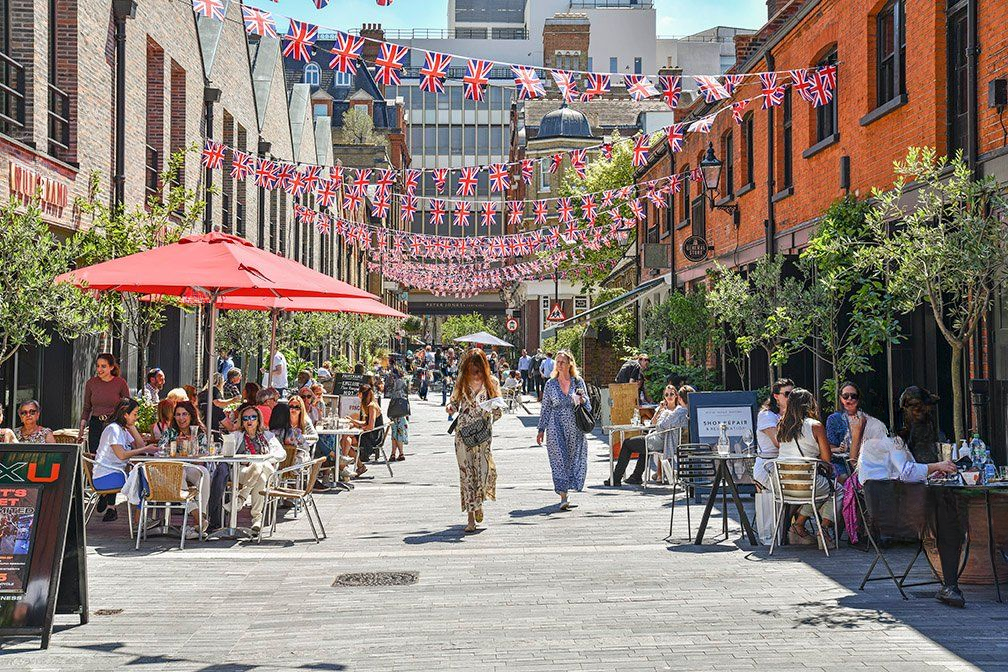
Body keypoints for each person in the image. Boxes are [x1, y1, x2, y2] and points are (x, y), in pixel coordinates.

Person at [858, 385, 963, 607]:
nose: (923, 415)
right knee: (947, 514)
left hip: (893, 505)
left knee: (946, 508)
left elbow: (903, 472)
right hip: (893, 516)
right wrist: (937, 466)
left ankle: (951, 584)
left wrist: (933, 471)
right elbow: (906, 472)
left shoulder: (892, 439)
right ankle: (951, 585)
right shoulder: (891, 439)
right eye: (917, 409)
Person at [447, 348, 503, 532]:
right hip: (463, 433)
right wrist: (450, 407)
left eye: (477, 370)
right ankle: (470, 517)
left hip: (483, 434)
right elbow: (454, 402)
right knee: (467, 473)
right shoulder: (461, 381)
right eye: (471, 369)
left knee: (484, 471)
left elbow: (499, 411)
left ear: (483, 368)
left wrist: (494, 408)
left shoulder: (492, 383)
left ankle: (479, 503)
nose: (474, 374)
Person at [775, 388, 837, 547]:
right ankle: (823, 529)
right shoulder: (815, 426)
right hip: (807, 484)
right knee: (837, 491)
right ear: (809, 405)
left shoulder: (781, 425)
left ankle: (799, 525)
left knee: (818, 491)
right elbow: (827, 459)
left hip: (783, 486)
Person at [605, 384, 691, 487]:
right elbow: (654, 423)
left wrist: (663, 416)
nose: (669, 396)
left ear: (678, 397)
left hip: (663, 441)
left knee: (627, 443)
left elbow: (660, 426)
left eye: (672, 394)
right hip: (667, 440)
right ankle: (636, 476)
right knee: (642, 444)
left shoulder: (679, 411)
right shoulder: (689, 411)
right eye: (666, 394)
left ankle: (616, 478)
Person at [536, 350, 591, 511]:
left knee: (574, 457)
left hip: (575, 425)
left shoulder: (578, 381)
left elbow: (588, 404)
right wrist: (541, 429)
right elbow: (546, 407)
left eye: (562, 362)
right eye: (557, 362)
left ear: (569, 364)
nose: (559, 365)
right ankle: (563, 496)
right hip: (555, 425)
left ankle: (569, 487)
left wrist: (581, 399)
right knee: (559, 458)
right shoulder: (550, 384)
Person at [92, 398, 158, 522]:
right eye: (135, 414)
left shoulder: (122, 429)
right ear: (125, 414)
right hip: (104, 476)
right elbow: (122, 455)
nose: (137, 417)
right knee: (143, 479)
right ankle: (139, 519)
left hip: (114, 474)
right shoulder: (114, 429)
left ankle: (139, 518)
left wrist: (132, 427)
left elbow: (140, 446)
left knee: (144, 476)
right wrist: (146, 448)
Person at [226, 403, 285, 536]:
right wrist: (242, 459)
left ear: (258, 420)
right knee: (260, 476)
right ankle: (257, 518)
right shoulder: (236, 436)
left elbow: (282, 454)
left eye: (253, 417)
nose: (250, 421)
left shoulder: (267, 435)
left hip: (266, 469)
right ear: (242, 421)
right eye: (246, 418)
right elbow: (227, 456)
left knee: (260, 467)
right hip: (243, 470)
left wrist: (264, 458)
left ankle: (241, 498)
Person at [156, 400, 211, 537]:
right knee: (178, 471)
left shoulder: (200, 434)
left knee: (204, 472)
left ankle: (201, 517)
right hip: (172, 469)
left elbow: (204, 455)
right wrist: (175, 444)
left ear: (191, 415)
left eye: (184, 414)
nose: (181, 418)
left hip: (192, 466)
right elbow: (160, 450)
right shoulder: (170, 432)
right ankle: (198, 517)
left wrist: (193, 444)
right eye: (178, 414)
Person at [79, 353, 131, 451]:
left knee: (113, 454)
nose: (99, 369)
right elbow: (87, 408)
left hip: (113, 424)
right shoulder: (91, 383)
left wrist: (127, 426)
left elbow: (127, 406)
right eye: (98, 366)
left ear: (111, 367)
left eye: (103, 366)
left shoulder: (120, 383)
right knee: (95, 454)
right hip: (95, 424)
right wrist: (81, 428)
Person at [824, 381, 871, 481]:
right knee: (844, 477)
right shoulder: (834, 419)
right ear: (840, 398)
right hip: (840, 463)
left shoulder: (864, 418)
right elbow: (829, 448)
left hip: (863, 460)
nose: (849, 399)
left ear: (858, 399)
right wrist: (839, 449)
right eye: (846, 396)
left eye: (853, 396)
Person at [753, 378, 794, 489]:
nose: (791, 398)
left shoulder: (793, 415)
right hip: (769, 466)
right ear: (776, 396)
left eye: (793, 394)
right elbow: (778, 442)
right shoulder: (767, 415)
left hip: (787, 465)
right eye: (787, 394)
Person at [341, 384, 384, 478]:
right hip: (370, 434)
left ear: (362, 394)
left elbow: (370, 426)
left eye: (359, 394)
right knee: (346, 439)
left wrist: (359, 429)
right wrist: (353, 421)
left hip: (373, 437)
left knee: (346, 439)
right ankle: (353, 466)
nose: (358, 396)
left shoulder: (372, 406)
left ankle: (343, 466)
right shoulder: (370, 405)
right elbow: (366, 422)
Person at [386, 365, 409, 461]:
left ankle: (394, 454)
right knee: (399, 433)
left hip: (394, 410)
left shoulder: (394, 382)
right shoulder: (404, 382)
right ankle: (400, 453)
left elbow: (388, 394)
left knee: (395, 433)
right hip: (402, 411)